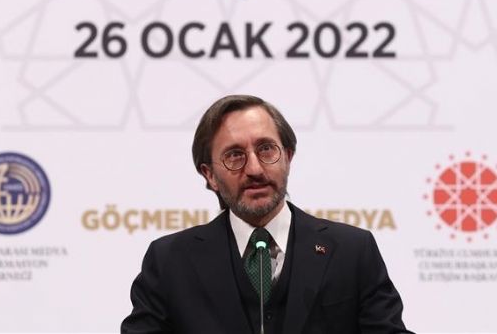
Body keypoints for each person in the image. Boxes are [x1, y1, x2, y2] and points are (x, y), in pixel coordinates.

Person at [121, 95, 412, 334]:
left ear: (288, 157)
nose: (255, 169)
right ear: (209, 175)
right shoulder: (170, 261)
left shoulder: (352, 251)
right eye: (234, 155)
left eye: (266, 149)